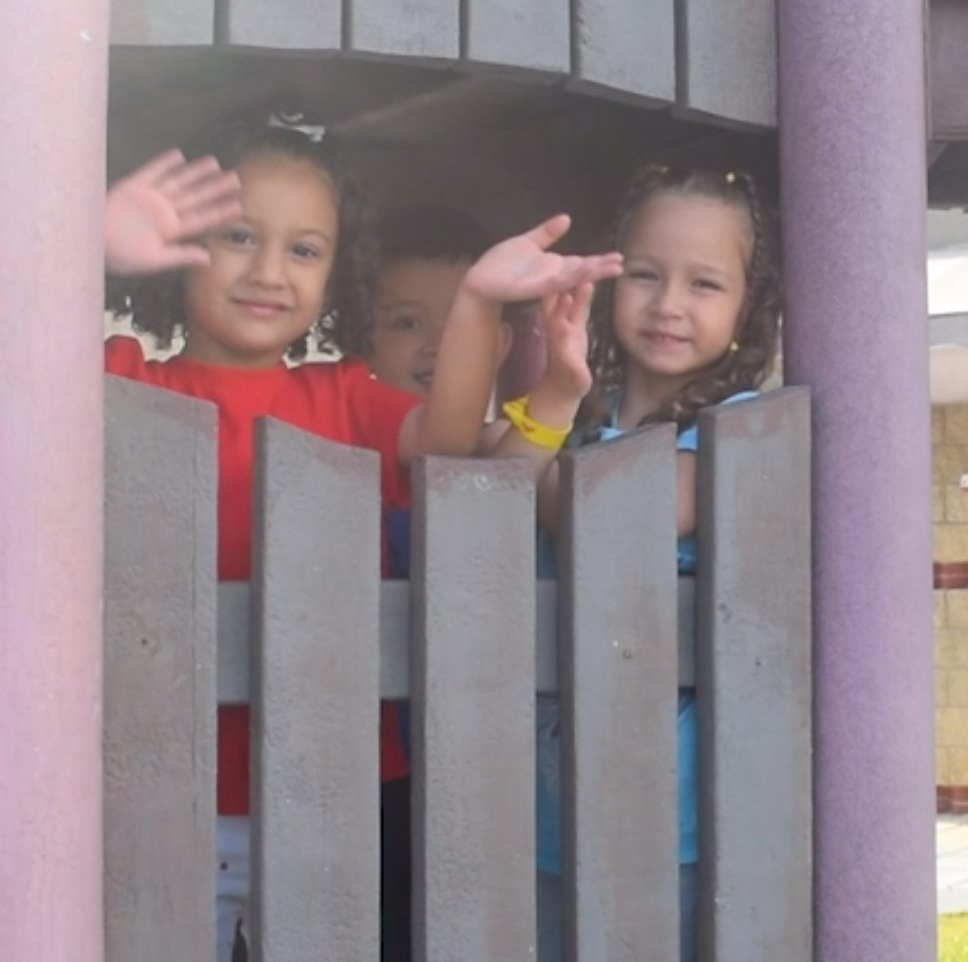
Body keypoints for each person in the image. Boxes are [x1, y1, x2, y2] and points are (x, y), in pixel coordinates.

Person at [100, 113, 620, 961]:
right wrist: (83, 245)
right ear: (181, 242)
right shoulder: (119, 377)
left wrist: (479, 303)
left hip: (330, 787)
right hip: (150, 785)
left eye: (305, 250)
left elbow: (448, 444)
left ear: (337, 274)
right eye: (239, 237)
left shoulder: (344, 398)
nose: (269, 272)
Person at [487, 165, 782, 962]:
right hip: (551, 793)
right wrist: (557, 394)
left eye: (704, 283)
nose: (668, 303)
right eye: (646, 274)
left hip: (672, 802)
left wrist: (548, 453)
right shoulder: (584, 413)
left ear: (748, 306)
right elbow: (492, 498)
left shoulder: (738, 427)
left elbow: (601, 516)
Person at [357, 204, 514, 962]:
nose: (433, 345)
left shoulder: (513, 457)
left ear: (500, 342)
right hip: (368, 767)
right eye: (405, 323)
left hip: (486, 765)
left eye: (459, 321)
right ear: (364, 338)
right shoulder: (336, 459)